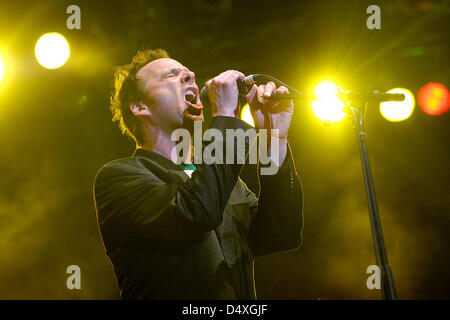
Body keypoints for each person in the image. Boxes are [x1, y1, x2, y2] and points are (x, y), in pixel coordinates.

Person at [93, 48, 303, 299]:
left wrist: (275, 136)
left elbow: (282, 232)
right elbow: (197, 211)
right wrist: (225, 115)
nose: (190, 76)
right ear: (139, 107)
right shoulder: (119, 178)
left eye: (188, 74)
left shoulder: (225, 182)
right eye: (171, 76)